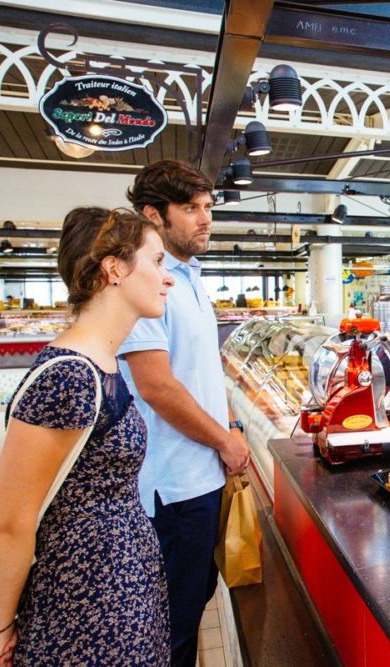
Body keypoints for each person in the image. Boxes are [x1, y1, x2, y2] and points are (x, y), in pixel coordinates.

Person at [0, 207, 175, 666]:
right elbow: (10, 522)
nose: (167, 277)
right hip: (83, 612)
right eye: (156, 261)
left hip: (119, 596)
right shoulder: (69, 377)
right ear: (113, 268)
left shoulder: (103, 364)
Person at [119, 160, 250, 667]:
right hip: (172, 485)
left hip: (204, 478)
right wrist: (222, 440)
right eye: (190, 209)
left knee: (193, 606)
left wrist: (231, 425)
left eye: (208, 207)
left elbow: (199, 370)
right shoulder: (145, 281)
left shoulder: (190, 277)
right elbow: (157, 387)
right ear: (153, 214)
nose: (205, 219)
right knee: (170, 626)